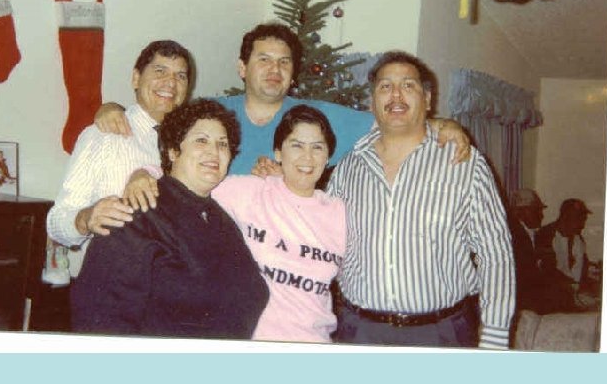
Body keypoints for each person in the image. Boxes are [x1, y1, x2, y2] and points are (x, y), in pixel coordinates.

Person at [94, 22, 471, 182]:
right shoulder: (210, 113)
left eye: (284, 62)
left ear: (293, 73)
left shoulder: (319, 117)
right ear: (242, 68)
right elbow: (160, 109)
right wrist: (111, 108)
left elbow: (393, 123)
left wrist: (443, 124)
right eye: (263, 60)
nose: (274, 70)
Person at [325, 50, 515, 350]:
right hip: (359, 332)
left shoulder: (464, 162)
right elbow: (325, 245)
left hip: (442, 334)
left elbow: (496, 254)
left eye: (408, 85)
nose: (396, 95)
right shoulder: (348, 167)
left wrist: (494, 337)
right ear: (372, 102)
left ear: (427, 100)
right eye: (385, 86)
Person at [126, 104, 346, 343]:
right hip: (253, 343)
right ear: (278, 153)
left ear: (328, 157)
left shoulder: (340, 213)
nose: (307, 157)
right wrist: (142, 174)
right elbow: (188, 175)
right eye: (296, 145)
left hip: (316, 345)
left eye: (317, 147)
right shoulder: (247, 191)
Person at [71, 99, 269, 338]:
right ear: (173, 151)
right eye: (201, 140)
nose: (214, 151)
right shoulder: (138, 215)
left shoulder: (221, 219)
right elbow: (99, 323)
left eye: (222, 144)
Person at [46, 40, 192, 274]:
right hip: (111, 280)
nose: (171, 83)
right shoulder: (103, 135)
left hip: (170, 284)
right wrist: (87, 218)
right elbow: (56, 222)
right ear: (136, 78)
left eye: (181, 76)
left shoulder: (189, 145)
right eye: (160, 71)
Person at [535, 198, 599, 311]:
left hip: (575, 296)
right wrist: (571, 286)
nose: (583, 225)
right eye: (580, 219)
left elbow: (583, 267)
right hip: (552, 299)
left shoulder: (578, 239)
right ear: (565, 217)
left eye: (583, 220)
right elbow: (547, 270)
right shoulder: (545, 235)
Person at [507, 188, 548, 313]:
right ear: (520, 212)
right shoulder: (513, 235)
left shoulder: (534, 233)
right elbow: (524, 275)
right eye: (536, 210)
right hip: (519, 301)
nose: (541, 215)